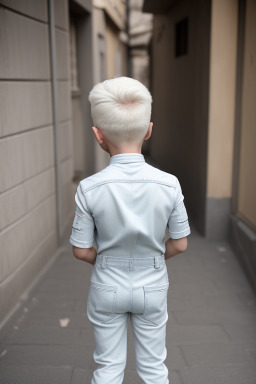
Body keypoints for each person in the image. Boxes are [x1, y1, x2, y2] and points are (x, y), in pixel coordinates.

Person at [69, 76, 191, 384]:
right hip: (152, 284)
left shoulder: (88, 188)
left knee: (108, 368)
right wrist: (155, 258)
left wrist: (106, 260)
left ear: (98, 135)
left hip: (106, 284)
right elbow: (180, 244)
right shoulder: (170, 184)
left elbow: (80, 250)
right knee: (154, 369)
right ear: (149, 130)